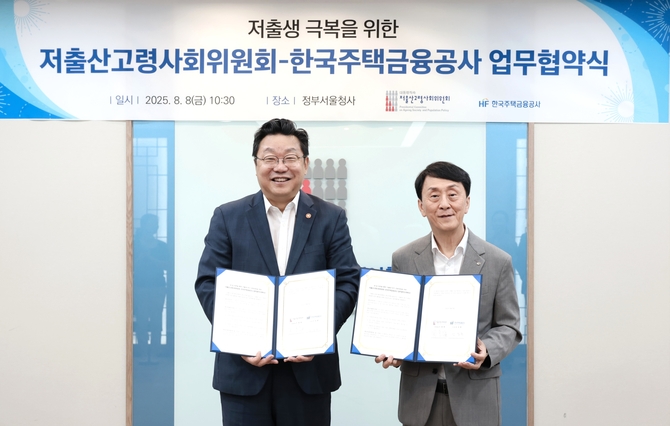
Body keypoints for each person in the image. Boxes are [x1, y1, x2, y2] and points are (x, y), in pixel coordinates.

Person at [195, 118, 360, 426]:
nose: (280, 167)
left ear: (305, 163)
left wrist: (318, 336)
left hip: (308, 373)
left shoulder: (331, 218)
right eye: (270, 158)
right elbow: (208, 283)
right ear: (256, 164)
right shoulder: (228, 217)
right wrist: (239, 340)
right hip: (244, 372)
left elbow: (347, 283)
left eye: (290, 158)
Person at [375, 161, 521, 426]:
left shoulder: (498, 260)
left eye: (453, 194)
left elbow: (509, 325)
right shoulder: (404, 258)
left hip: (476, 397)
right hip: (420, 399)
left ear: (467, 203)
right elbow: (399, 322)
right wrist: (391, 347)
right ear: (421, 206)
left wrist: (487, 349)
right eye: (434, 196)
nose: (444, 204)